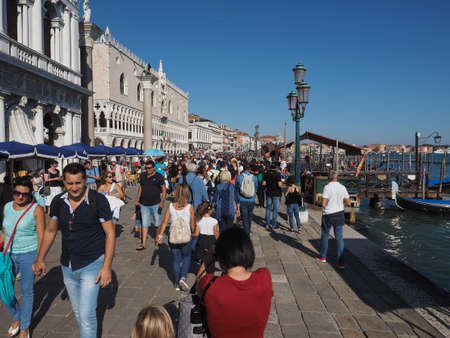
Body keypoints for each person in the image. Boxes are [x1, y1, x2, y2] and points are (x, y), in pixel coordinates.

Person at [33, 163, 116, 338]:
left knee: (86, 314)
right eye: (70, 183)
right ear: (64, 181)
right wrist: (40, 258)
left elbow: (110, 234)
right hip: (67, 265)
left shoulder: (97, 200)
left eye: (78, 182)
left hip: (92, 263)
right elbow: (50, 230)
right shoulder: (58, 202)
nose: (74, 187)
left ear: (85, 180)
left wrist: (107, 267)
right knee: (78, 312)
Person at [198, 227, 272, 338]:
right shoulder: (264, 278)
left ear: (220, 257)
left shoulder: (210, 287)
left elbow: (200, 280)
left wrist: (209, 257)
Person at [0, 176, 44, 338]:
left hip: (29, 254)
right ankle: (16, 316)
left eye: (24, 194)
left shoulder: (36, 209)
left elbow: (41, 236)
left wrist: (40, 259)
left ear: (30, 194)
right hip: (8, 254)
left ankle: (24, 326)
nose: (20, 197)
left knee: (27, 292)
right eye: (17, 193)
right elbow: (5, 232)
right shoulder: (7, 207)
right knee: (5, 290)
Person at [156, 184, 195, 291]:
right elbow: (192, 225)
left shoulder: (171, 206)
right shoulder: (189, 207)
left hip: (173, 237)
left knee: (176, 260)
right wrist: (195, 232)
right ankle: (183, 277)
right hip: (186, 237)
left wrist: (160, 235)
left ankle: (176, 282)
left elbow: (164, 222)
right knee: (186, 257)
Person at [316, 170, 351, 269]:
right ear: (337, 177)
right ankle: (341, 263)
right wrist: (341, 205)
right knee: (339, 238)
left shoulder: (327, 187)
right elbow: (348, 202)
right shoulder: (342, 187)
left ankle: (323, 257)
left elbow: (323, 204)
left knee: (325, 235)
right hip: (339, 214)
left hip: (328, 215)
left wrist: (327, 205)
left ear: (329, 177)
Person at [135, 160, 166, 251]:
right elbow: (140, 187)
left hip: (156, 203)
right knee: (144, 224)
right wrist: (137, 199)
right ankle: (143, 243)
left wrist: (162, 202)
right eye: (146, 168)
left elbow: (164, 190)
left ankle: (157, 236)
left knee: (157, 223)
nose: (147, 169)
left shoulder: (159, 177)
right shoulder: (143, 175)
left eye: (149, 168)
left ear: (153, 168)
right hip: (144, 204)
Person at [193, 202, 219, 276]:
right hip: (212, 241)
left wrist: (190, 235)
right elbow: (216, 234)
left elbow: (196, 234)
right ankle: (210, 274)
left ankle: (203, 273)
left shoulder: (198, 220)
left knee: (203, 259)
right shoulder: (214, 221)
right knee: (211, 259)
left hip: (201, 240)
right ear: (210, 211)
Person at [235, 165, 258, 234]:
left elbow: (236, 188)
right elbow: (256, 188)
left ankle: (246, 231)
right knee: (250, 216)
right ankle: (248, 229)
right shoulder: (254, 177)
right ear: (250, 169)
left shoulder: (239, 177)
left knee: (244, 216)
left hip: (242, 199)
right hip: (252, 199)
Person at [262, 163, 282, 229]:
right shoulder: (278, 174)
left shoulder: (266, 173)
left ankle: (267, 224)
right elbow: (279, 185)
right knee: (275, 210)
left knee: (268, 209)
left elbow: (263, 184)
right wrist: (282, 183)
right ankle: (273, 224)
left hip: (269, 193)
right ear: (276, 167)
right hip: (276, 193)